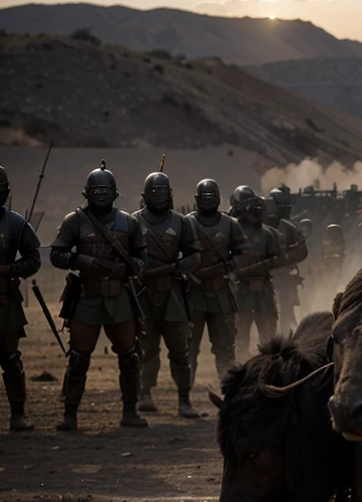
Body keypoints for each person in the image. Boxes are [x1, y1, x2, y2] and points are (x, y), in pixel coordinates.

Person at [50, 163, 148, 431]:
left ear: (115, 193)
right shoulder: (74, 221)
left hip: (119, 299)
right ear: (87, 192)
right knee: (79, 358)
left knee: (129, 356)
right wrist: (82, 260)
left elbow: (142, 259)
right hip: (87, 298)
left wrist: (126, 268)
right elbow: (56, 254)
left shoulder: (129, 222)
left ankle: (130, 411)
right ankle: (70, 414)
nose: (101, 194)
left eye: (106, 189)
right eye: (96, 189)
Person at [133, 172, 202, 418]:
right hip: (145, 295)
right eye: (155, 192)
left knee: (180, 350)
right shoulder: (134, 221)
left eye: (163, 192)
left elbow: (195, 256)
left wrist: (176, 267)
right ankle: (145, 394)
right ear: (145, 196)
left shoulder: (182, 222)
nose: (159, 197)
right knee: (146, 349)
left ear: (170, 195)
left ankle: (184, 399)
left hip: (173, 294)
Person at [187, 179, 249, 382]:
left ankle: (227, 385)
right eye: (204, 198)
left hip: (221, 292)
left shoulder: (231, 225)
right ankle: (185, 391)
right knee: (189, 347)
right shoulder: (188, 223)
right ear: (197, 199)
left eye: (212, 198)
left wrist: (228, 267)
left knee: (225, 348)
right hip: (193, 293)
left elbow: (242, 253)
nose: (208, 202)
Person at [0, 166, 42, 431]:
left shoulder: (15, 223)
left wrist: (10, 269)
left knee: (11, 358)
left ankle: (18, 414)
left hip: (4, 300)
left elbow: (34, 259)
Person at [230, 186, 282, 355]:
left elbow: (277, 259)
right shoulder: (231, 231)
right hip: (241, 290)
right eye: (249, 206)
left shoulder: (268, 234)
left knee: (268, 335)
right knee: (240, 335)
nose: (254, 210)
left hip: (263, 290)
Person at [265, 187, 308, 334]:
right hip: (266, 275)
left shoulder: (288, 228)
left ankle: (286, 335)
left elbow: (301, 250)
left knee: (287, 310)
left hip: (284, 276)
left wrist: (288, 257)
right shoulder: (262, 228)